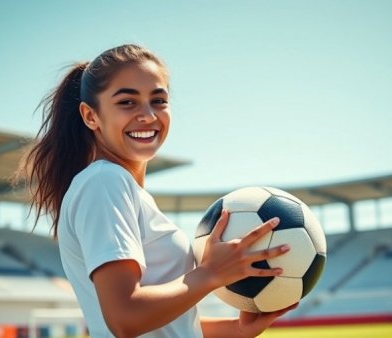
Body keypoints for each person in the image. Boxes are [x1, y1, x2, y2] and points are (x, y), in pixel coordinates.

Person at [17, 44, 295, 337]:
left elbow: (168, 326)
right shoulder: (104, 182)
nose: (148, 115)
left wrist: (238, 329)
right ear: (90, 116)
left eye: (158, 100)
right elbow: (126, 318)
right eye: (127, 102)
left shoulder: (122, 188)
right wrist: (211, 273)